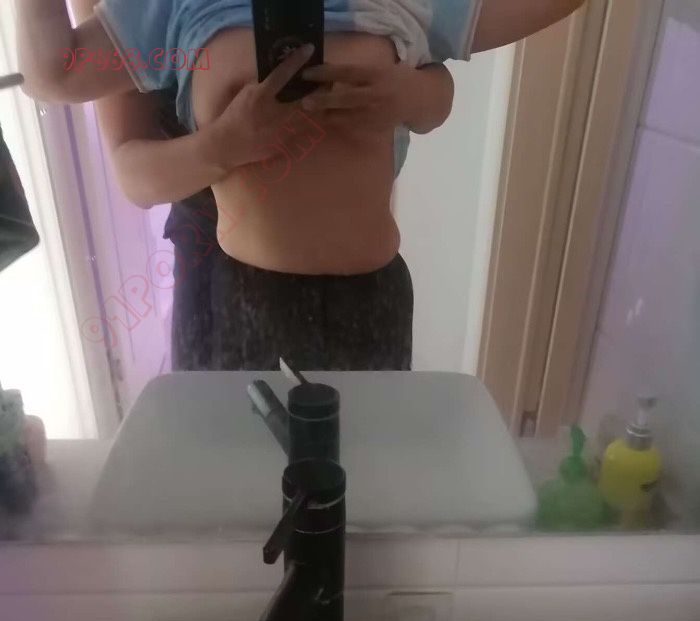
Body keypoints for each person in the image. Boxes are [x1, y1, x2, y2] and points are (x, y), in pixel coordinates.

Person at [18, 0, 585, 371]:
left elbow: (445, 91)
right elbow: (53, 75)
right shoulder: (174, 5)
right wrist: (222, 146)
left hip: (373, 299)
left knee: (367, 491)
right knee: (233, 495)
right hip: (236, 293)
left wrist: (407, 94)